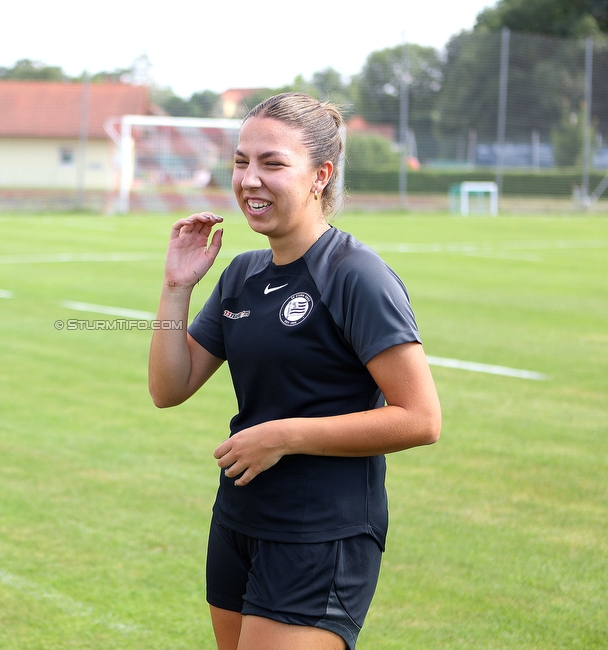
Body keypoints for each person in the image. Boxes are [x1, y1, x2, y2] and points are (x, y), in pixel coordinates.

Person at [148, 92, 441, 650]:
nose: (250, 179)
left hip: (321, 532)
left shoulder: (356, 275)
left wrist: (286, 436)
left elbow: (421, 418)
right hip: (239, 518)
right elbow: (170, 387)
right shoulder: (242, 274)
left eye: (272, 163)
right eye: (241, 161)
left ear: (320, 176)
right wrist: (175, 288)